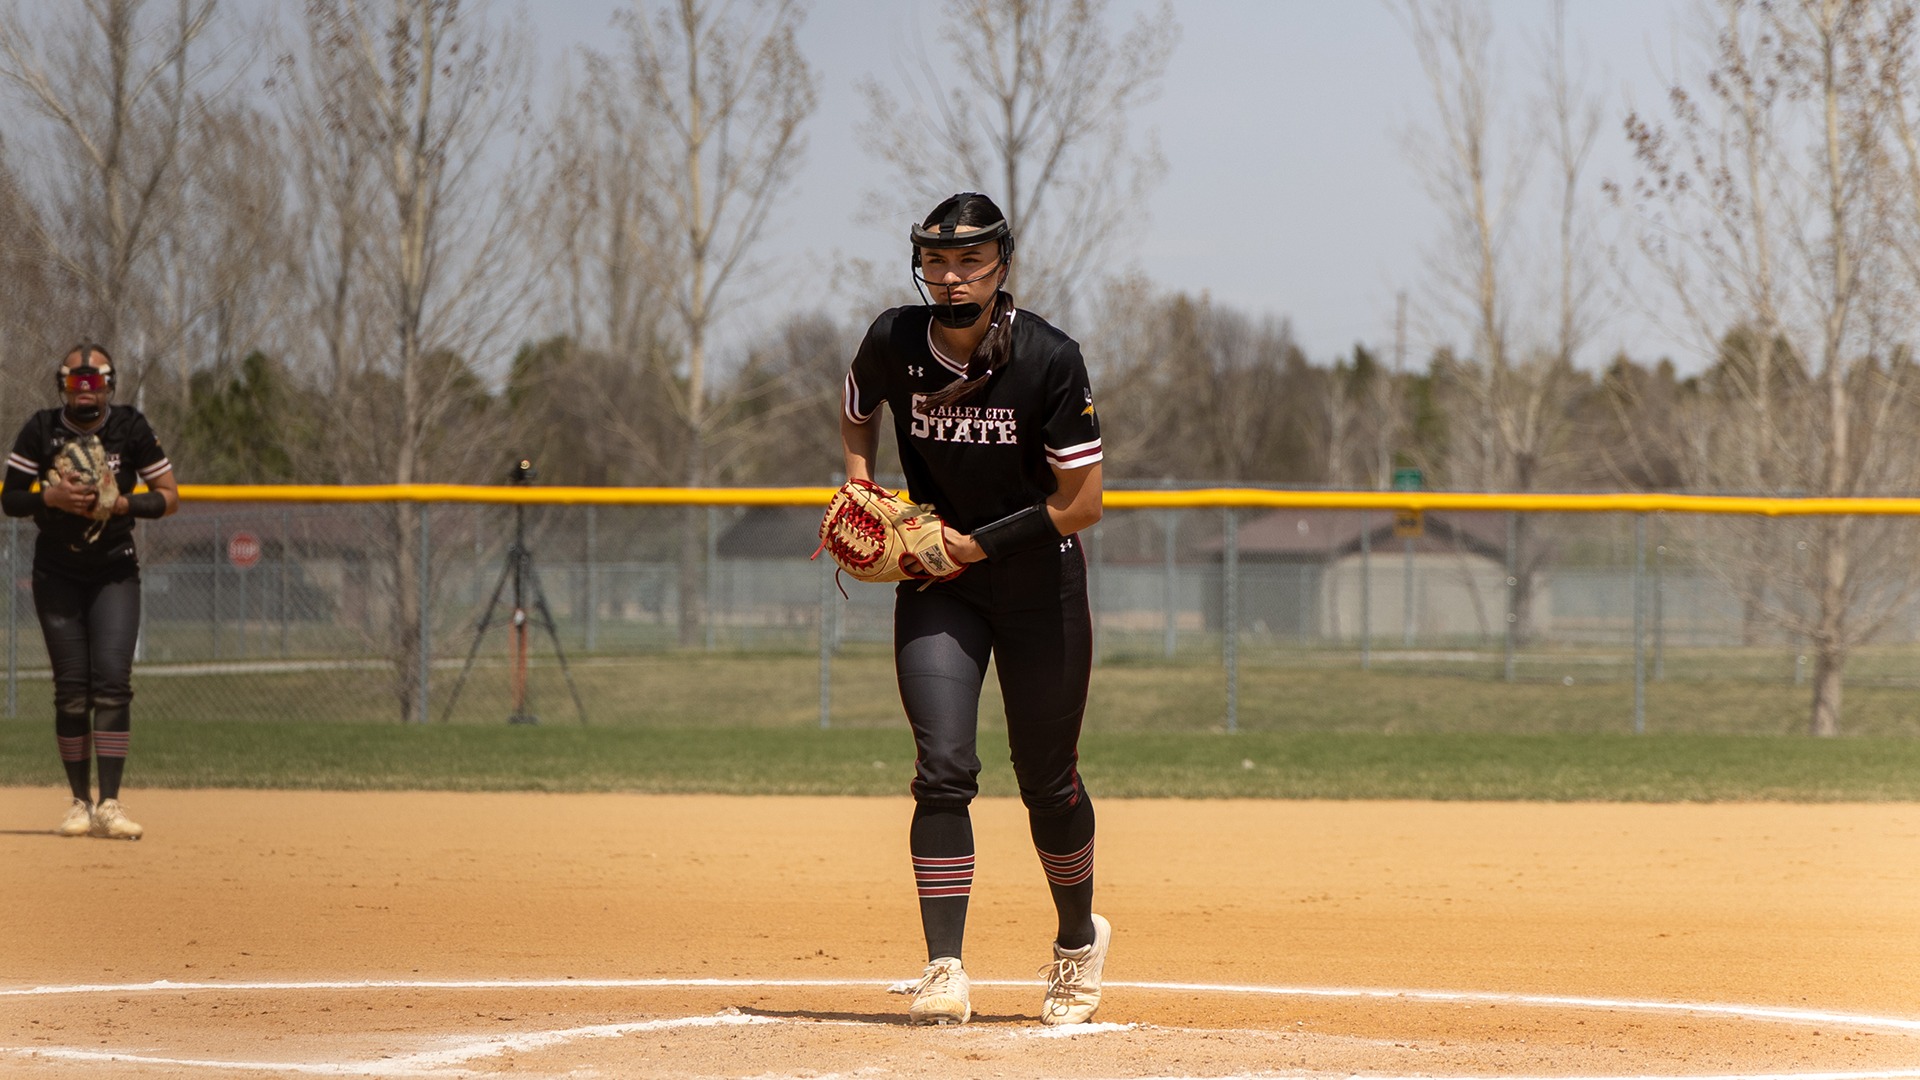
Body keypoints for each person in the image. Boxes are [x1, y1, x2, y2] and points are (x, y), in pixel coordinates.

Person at [840, 193, 1109, 1026]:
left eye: (970, 262)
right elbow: (857, 412)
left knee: (1048, 782)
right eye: (936, 261)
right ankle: (944, 967)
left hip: (1039, 587)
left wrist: (977, 545)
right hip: (939, 588)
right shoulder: (893, 340)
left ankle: (1075, 944)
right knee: (944, 769)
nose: (951, 277)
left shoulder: (1049, 358)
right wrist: (860, 482)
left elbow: (1082, 502)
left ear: (1002, 265)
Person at [2, 344, 178, 839]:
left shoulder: (130, 427)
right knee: (72, 690)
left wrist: (122, 503)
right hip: (56, 573)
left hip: (114, 571)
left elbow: (170, 498)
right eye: (77, 383)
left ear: (108, 385)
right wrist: (50, 495)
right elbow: (11, 498)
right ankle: (80, 803)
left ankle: (111, 804)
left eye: (94, 383)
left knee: (114, 682)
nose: (86, 392)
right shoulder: (41, 429)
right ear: (63, 386)